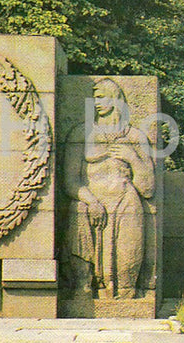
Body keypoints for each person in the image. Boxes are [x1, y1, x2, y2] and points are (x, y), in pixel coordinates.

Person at [63, 78, 156, 299]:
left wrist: (132, 158)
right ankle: (83, 286)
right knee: (78, 210)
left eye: (102, 97)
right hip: (92, 201)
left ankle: (127, 291)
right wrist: (92, 202)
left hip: (126, 203)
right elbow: (70, 182)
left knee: (125, 278)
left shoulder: (134, 137)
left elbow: (148, 189)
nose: (97, 103)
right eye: (94, 98)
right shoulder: (81, 134)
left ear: (115, 99)